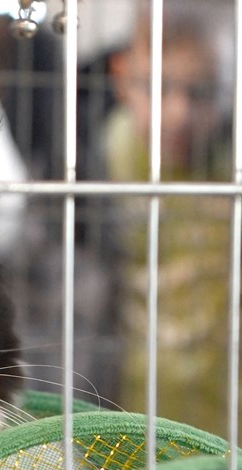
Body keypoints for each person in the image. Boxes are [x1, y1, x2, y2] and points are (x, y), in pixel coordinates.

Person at [104, 7, 235, 435]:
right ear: (121, 76)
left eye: (202, 92)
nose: (179, 112)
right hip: (133, 401)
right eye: (157, 87)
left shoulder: (231, 159)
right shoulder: (109, 149)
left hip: (226, 404)